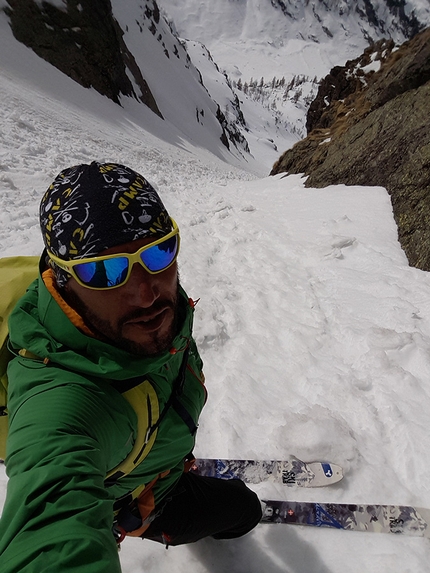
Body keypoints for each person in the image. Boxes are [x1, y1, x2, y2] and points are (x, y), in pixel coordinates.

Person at [0, 162, 262, 572]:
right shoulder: (62, 400)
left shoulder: (142, 317)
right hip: (145, 503)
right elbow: (50, 514)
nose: (145, 292)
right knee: (245, 511)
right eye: (104, 270)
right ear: (62, 279)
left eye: (159, 251)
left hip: (161, 464)